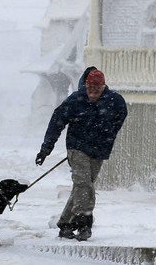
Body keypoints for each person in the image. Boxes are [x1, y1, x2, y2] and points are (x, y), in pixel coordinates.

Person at [35, 67, 127, 241]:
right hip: (77, 148)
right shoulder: (76, 100)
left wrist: (108, 134)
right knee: (84, 184)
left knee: (82, 186)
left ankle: (65, 224)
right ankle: (84, 222)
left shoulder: (115, 101)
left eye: (97, 89)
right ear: (86, 85)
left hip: (99, 150)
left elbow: (120, 116)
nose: (93, 92)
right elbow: (57, 121)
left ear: (103, 86)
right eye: (90, 88)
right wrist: (46, 149)